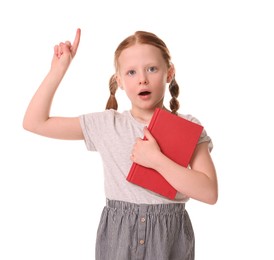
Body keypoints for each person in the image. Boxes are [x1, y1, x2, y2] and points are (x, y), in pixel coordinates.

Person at [23, 28, 218, 260]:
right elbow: (35, 122)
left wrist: (156, 160)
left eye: (152, 69)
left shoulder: (188, 127)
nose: (142, 78)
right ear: (120, 81)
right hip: (119, 237)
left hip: (169, 239)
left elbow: (209, 192)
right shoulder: (108, 124)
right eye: (132, 72)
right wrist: (58, 69)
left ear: (169, 73)